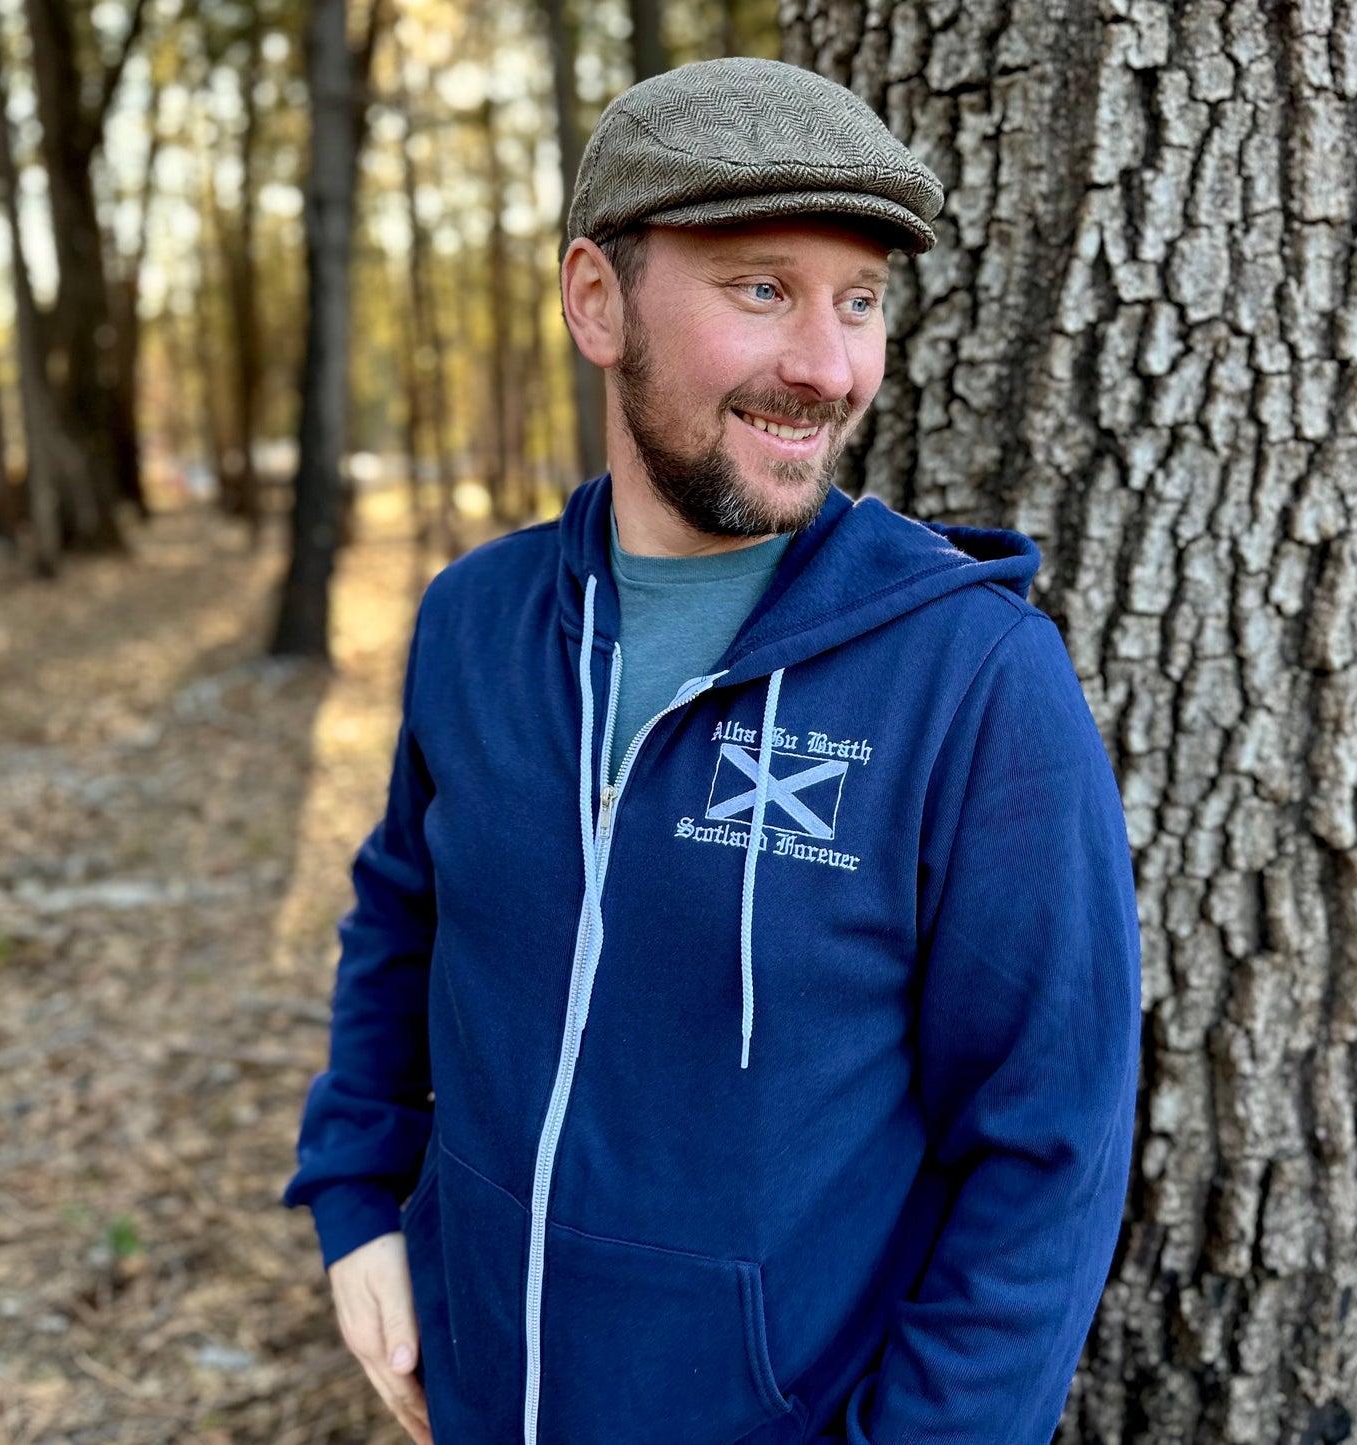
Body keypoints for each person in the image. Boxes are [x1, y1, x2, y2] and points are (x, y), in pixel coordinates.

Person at [285, 56, 1141, 1445]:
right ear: (596, 300)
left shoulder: (970, 680)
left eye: (858, 301)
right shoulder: (477, 620)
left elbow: (1049, 1148)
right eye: (762, 289)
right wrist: (355, 1198)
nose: (828, 366)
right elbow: (402, 921)